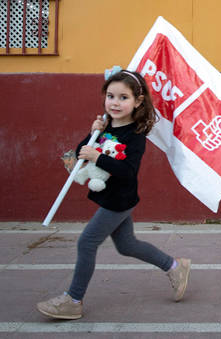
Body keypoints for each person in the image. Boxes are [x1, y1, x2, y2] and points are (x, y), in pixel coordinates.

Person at [37, 69, 190, 320]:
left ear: (138, 101)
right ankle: (175, 266)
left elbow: (127, 172)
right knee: (127, 245)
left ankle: (73, 300)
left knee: (86, 242)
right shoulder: (107, 126)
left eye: (123, 97)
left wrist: (98, 157)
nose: (115, 103)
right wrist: (93, 132)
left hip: (118, 201)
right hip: (110, 198)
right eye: (110, 96)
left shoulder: (135, 136)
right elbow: (82, 152)